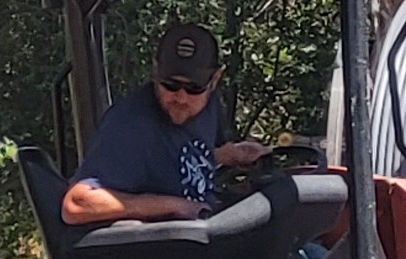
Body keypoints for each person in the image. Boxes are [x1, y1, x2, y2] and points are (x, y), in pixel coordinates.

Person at [62, 21, 268, 224]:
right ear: (155, 70)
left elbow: (174, 161)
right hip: (170, 248)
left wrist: (229, 155)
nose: (181, 98)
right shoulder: (130, 125)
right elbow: (77, 204)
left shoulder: (209, 107)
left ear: (215, 80)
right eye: (170, 85)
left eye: (194, 88)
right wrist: (178, 207)